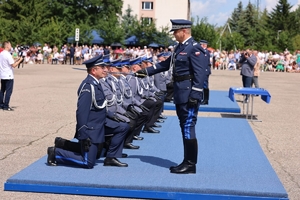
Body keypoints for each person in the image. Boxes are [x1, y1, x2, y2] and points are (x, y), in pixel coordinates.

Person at [135, 19, 207, 174]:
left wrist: (195, 93)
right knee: (184, 126)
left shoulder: (194, 49)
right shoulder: (180, 48)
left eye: (175, 31)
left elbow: (200, 74)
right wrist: (146, 71)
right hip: (180, 92)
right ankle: (187, 161)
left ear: (184, 31)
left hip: (188, 94)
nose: (174, 35)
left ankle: (190, 163)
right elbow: (165, 65)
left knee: (188, 126)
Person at [46, 55, 128, 168]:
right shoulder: (88, 86)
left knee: (123, 127)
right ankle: (55, 152)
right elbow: (81, 112)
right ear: (94, 71)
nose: (105, 69)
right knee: (88, 162)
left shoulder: (97, 83)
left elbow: (100, 106)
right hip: (91, 128)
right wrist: (83, 134)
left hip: (101, 123)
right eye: (102, 67)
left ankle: (110, 158)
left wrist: (112, 116)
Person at [0, 41, 24, 111]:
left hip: (2, 75)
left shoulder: (1, 54)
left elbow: (10, 62)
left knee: (2, 90)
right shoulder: (7, 54)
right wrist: (20, 61)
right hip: (9, 75)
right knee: (8, 91)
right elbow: (13, 65)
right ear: (7, 46)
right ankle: (6, 105)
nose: (11, 46)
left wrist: (17, 59)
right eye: (10, 45)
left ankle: (1, 104)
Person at [199, 40, 211, 105]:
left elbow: (205, 63)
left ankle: (206, 100)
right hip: (203, 71)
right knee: (202, 85)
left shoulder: (205, 52)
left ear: (204, 45)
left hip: (205, 71)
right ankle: (203, 98)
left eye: (201, 44)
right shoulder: (203, 52)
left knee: (205, 85)